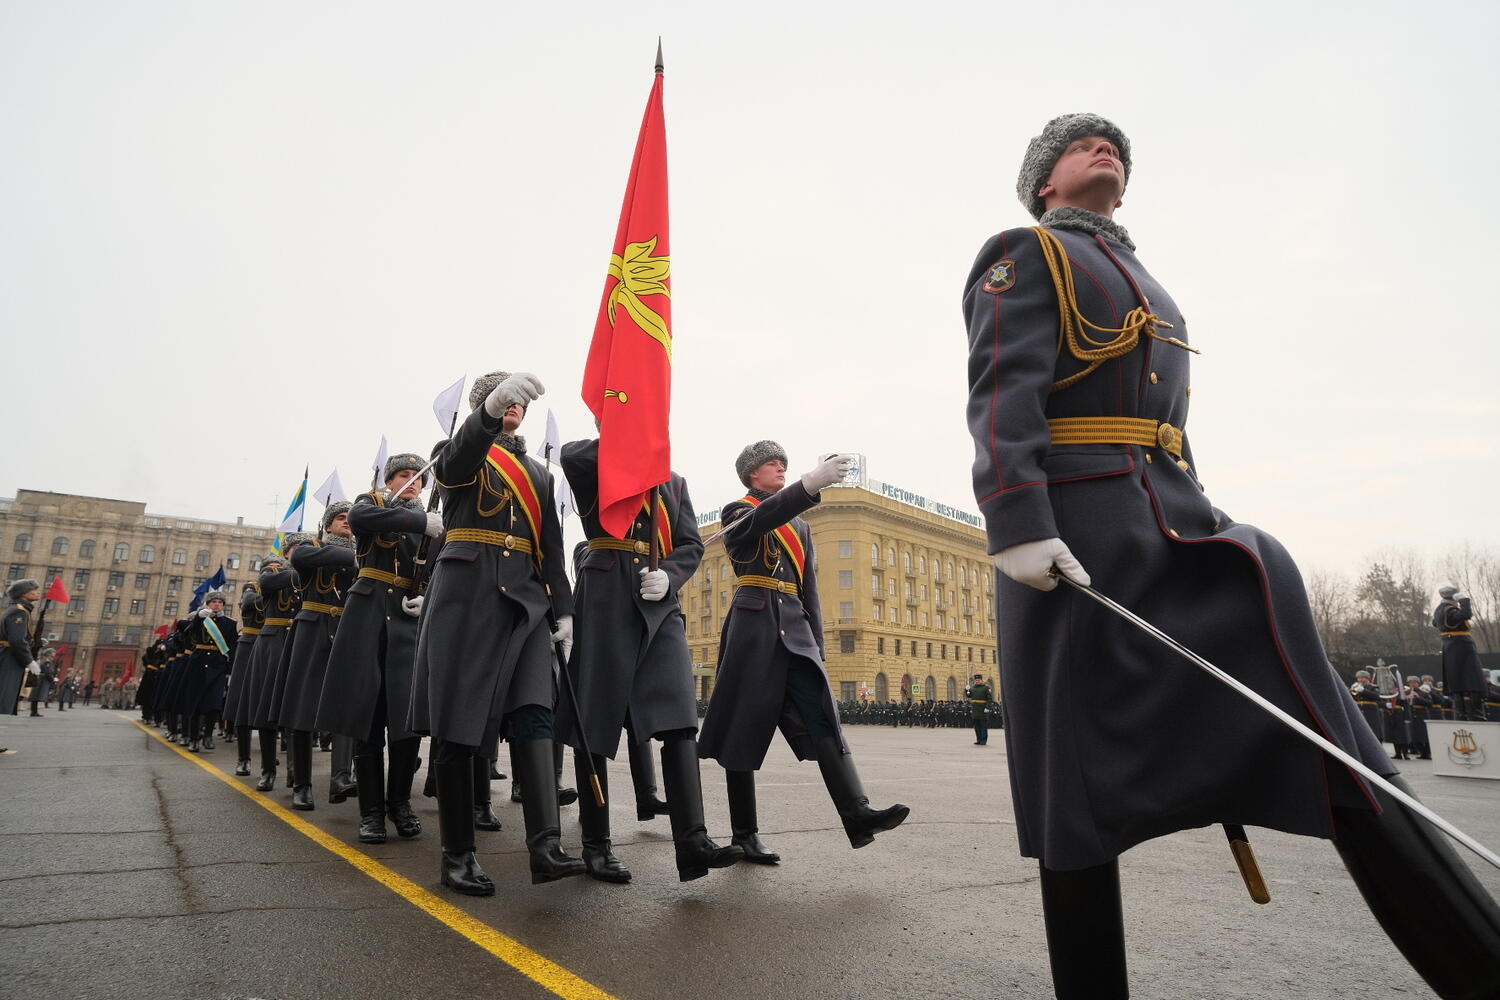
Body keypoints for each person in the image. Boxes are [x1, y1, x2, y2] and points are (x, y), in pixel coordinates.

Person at [961, 112, 1500, 999]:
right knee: (1077, 799)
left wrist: (1196, 506)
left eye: (1118, 149)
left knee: (1337, 744)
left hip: (1179, 530)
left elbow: (1166, 425)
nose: (1107, 151)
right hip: (1077, 544)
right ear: (1044, 180)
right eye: (1081, 145)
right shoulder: (1026, 252)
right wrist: (1016, 519)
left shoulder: (1143, 275)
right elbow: (1000, 391)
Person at [409, 370, 581, 896]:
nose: (515, 411)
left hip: (527, 603)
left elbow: (550, 544)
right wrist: (484, 415)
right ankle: (457, 855)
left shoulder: (538, 473)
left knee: (535, 713)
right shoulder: (456, 449)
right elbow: (460, 461)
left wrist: (565, 608)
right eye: (506, 403)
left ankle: (545, 847)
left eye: (519, 405)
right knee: (460, 723)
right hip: (469, 593)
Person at [697, 442, 910, 863]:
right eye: (770, 464)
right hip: (754, 626)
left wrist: (818, 644)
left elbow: (809, 587)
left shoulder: (801, 526)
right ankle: (745, 835)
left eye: (784, 464)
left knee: (824, 718)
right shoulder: (737, 511)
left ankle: (858, 813)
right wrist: (808, 485)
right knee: (743, 729)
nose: (780, 467)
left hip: (795, 629)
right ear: (751, 475)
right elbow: (755, 526)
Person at [557, 436, 743, 883]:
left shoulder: (674, 483)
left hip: (659, 605)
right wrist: (624, 428)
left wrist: (671, 574)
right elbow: (570, 456)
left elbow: (689, 544)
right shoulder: (596, 464)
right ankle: (596, 846)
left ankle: (693, 841)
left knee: (680, 719)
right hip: (604, 601)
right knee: (595, 726)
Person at [316, 454, 441, 842]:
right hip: (368, 613)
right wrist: (419, 521)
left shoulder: (432, 522)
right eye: (404, 476)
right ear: (390, 481)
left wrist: (427, 594)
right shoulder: (371, 503)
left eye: (419, 479)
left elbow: (437, 567)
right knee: (367, 720)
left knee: (407, 723)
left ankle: (399, 803)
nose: (413, 482)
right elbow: (360, 520)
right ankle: (371, 812)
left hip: (407, 621)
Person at [279, 503, 358, 811]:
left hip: (346, 631)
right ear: (327, 525)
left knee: (345, 707)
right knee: (303, 709)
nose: (347, 522)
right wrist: (359, 554)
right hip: (312, 631)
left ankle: (341, 777)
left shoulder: (360, 551)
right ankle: (301, 783)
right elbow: (299, 556)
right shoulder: (312, 548)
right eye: (341, 518)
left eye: (352, 519)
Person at [177, 591, 238, 753]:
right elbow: (189, 634)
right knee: (195, 702)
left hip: (217, 665)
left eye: (220, 602)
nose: (217, 604)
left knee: (213, 704)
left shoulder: (230, 623)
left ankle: (208, 736)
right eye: (213, 601)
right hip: (198, 663)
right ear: (207, 604)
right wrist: (198, 618)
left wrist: (230, 671)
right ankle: (194, 738)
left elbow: (232, 647)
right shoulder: (201, 619)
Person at [225, 583, 264, 776]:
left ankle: (268, 754)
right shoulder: (251, 590)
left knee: (268, 704)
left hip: (270, 646)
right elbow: (249, 602)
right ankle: (243, 758)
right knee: (242, 703)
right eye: (271, 568)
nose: (276, 570)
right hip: (248, 646)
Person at [1433, 586, 1485, 721]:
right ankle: (1476, 714)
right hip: (1462, 646)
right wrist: (1464, 600)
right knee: (1475, 680)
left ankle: (1461, 714)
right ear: (1454, 597)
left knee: (1457, 684)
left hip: (1450, 646)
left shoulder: (1439, 611)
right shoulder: (1449, 610)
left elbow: (1435, 623)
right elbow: (1466, 614)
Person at [2, 579, 43, 718]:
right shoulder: (19, 612)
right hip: (9, 658)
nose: (37, 592)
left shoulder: (19, 610)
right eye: (34, 589)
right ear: (23, 594)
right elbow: (16, 640)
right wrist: (29, 661)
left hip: (8, 655)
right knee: (3, 694)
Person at [1349, 669, 1386, 746]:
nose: (1360, 680)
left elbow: (1376, 696)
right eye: (1359, 678)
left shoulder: (1372, 687)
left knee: (1373, 729)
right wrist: (1351, 691)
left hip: (1371, 711)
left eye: (1362, 678)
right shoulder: (1356, 686)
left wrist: (1363, 690)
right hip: (1359, 709)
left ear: (1367, 678)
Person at [965, 673, 994, 745]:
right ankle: (979, 739)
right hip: (975, 709)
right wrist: (966, 690)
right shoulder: (973, 688)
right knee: (976, 726)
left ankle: (983, 740)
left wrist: (987, 707)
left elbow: (989, 699)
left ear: (981, 680)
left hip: (982, 709)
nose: (977, 681)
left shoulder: (986, 688)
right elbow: (969, 696)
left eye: (978, 680)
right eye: (976, 680)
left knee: (983, 726)